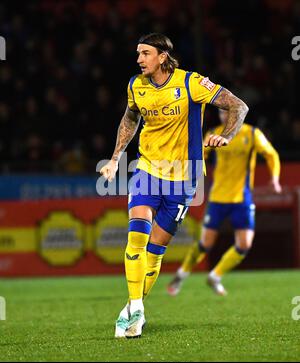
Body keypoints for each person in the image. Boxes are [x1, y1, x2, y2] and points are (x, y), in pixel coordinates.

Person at [99, 33, 249, 338]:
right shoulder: (135, 86)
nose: (139, 59)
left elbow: (239, 106)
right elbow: (130, 119)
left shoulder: (190, 83)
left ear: (162, 57)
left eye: (145, 53)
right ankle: (137, 308)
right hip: (147, 170)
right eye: (138, 53)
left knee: (154, 253)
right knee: (136, 238)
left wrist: (227, 136)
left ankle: (130, 309)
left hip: (184, 176)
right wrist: (115, 158)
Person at [167, 109, 281, 297]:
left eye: (227, 112)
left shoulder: (252, 134)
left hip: (241, 199)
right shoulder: (214, 134)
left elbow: (271, 155)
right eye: (221, 112)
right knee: (205, 244)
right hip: (218, 197)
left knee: (244, 245)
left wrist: (274, 178)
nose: (224, 116)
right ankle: (181, 274)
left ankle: (215, 276)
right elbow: (199, 156)